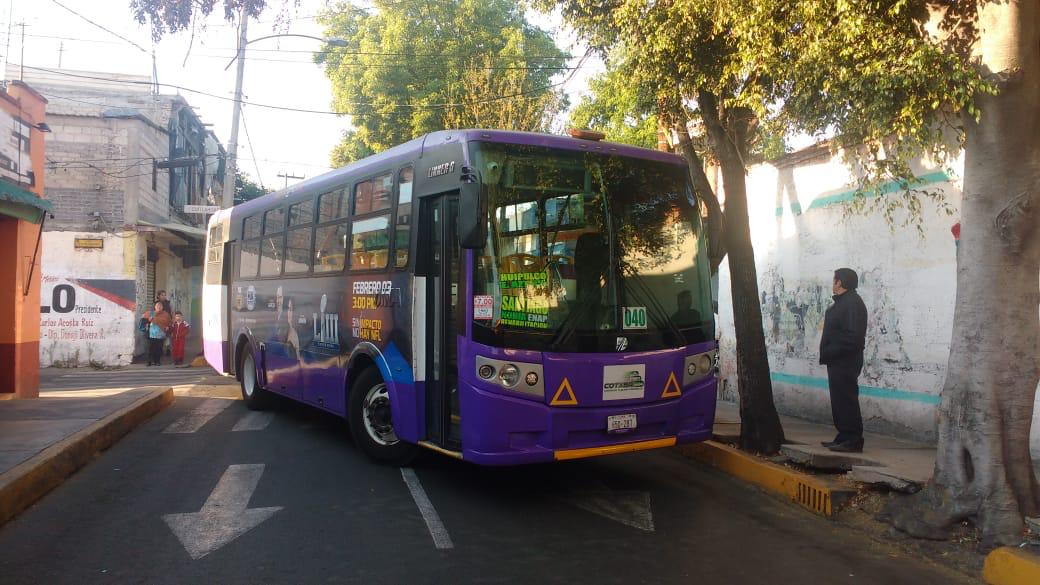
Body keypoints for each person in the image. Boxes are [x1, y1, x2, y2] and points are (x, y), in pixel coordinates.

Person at [819, 268, 869, 453]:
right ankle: (843, 436)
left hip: (845, 361)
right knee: (839, 400)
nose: (832, 283)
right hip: (837, 360)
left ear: (839, 282)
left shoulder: (852, 303)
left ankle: (853, 439)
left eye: (834, 280)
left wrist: (832, 350)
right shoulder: (844, 302)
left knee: (846, 400)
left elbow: (854, 337)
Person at [145, 301, 172, 366]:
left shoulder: (166, 314)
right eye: (157, 306)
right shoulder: (151, 313)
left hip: (161, 334)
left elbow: (169, 322)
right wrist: (148, 321)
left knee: (159, 349)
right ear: (155, 307)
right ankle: (149, 361)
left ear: (162, 307)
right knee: (151, 349)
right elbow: (144, 318)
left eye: (160, 306)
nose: (159, 307)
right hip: (152, 334)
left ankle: (157, 361)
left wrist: (168, 327)